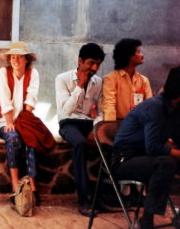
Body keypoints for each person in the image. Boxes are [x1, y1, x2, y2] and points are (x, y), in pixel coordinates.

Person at [112, 66, 180, 229]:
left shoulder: (176, 109)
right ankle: (146, 219)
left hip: (147, 157)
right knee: (166, 163)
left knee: (168, 161)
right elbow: (153, 147)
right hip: (124, 160)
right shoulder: (155, 107)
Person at [55, 43, 105, 216]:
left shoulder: (98, 82)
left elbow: (100, 111)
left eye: (98, 64)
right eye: (91, 63)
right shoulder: (62, 79)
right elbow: (66, 110)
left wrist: (97, 128)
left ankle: (105, 198)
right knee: (80, 144)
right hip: (68, 123)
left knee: (112, 143)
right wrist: (80, 86)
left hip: (89, 124)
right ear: (80, 61)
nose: (94, 68)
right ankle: (84, 200)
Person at [0, 41, 40, 202]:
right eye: (13, 57)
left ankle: (32, 187)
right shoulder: (3, 73)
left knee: (30, 139)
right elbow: (5, 99)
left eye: (20, 57)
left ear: (27, 59)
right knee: (12, 137)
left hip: (23, 119)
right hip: (4, 119)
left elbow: (31, 99)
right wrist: (9, 122)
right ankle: (15, 186)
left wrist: (23, 123)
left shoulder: (33, 73)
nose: (16, 60)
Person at [102, 38, 153, 121]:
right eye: (138, 52)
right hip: (118, 124)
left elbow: (149, 107)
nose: (142, 55)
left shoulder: (144, 80)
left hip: (138, 125)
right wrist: (111, 128)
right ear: (129, 56)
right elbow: (109, 106)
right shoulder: (111, 79)